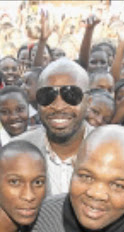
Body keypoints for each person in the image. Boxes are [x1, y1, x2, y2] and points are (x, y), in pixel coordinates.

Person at [15, 58, 94, 196]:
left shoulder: (113, 151)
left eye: (71, 95)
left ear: (89, 103)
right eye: (47, 95)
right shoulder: (17, 150)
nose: (58, 106)